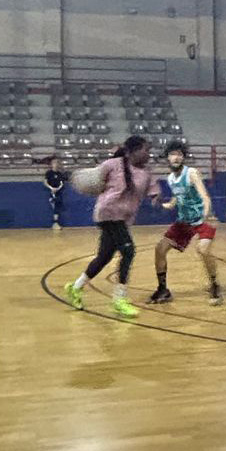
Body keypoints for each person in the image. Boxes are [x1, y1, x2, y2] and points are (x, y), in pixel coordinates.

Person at [63, 136, 163, 318]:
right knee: (128, 251)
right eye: (145, 150)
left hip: (123, 219)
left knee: (104, 257)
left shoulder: (147, 173)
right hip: (108, 214)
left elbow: (154, 191)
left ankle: (75, 287)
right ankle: (119, 299)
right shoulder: (113, 164)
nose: (148, 154)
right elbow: (94, 181)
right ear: (132, 151)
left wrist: (156, 198)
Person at [150, 143, 222, 305]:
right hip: (184, 221)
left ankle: (214, 284)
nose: (176, 157)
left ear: (183, 157)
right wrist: (167, 204)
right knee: (160, 249)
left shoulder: (191, 173)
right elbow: (177, 197)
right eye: (173, 154)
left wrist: (206, 215)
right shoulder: (170, 178)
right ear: (167, 157)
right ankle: (163, 289)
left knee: (203, 249)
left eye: (179, 154)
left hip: (203, 218)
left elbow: (205, 197)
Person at [44, 156, 66, 231]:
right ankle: (55, 223)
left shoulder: (60, 174)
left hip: (58, 192)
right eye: (54, 163)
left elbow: (62, 183)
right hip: (51, 192)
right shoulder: (49, 173)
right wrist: (51, 188)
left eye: (57, 163)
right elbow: (45, 182)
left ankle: (56, 223)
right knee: (54, 206)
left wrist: (57, 189)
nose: (56, 164)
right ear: (51, 164)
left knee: (57, 207)